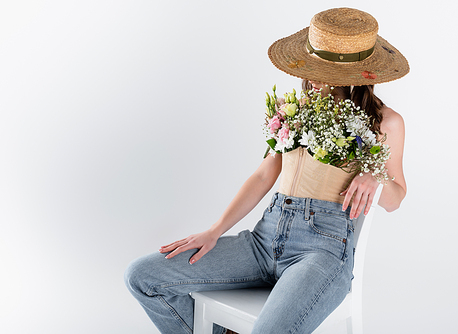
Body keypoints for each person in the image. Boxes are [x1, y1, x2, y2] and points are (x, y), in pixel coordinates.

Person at [125, 7, 409, 334]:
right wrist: (214, 230)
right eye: (312, 65)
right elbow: (263, 176)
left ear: (357, 71)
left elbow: (395, 198)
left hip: (322, 251)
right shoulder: (297, 110)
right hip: (263, 240)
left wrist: (375, 175)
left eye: (324, 69)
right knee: (143, 276)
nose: (312, 77)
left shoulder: (386, 122)